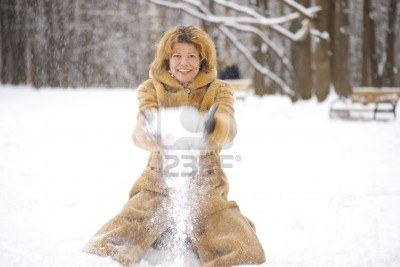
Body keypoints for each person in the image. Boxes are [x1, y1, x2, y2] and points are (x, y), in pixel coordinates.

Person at [83, 25, 265, 267]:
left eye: (191, 56)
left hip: (207, 189)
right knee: (106, 247)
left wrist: (213, 127)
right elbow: (140, 132)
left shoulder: (219, 89)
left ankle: (198, 240)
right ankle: (161, 236)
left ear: (202, 59)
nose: (184, 63)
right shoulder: (151, 89)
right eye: (177, 56)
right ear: (167, 59)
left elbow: (228, 125)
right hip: (155, 187)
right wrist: (150, 130)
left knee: (246, 250)